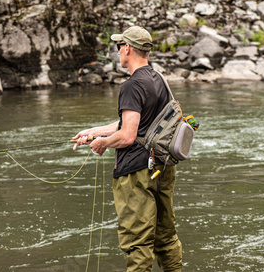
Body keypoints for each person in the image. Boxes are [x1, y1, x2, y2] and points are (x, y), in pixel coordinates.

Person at [72, 26, 182, 272]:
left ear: (127, 48)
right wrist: (94, 131)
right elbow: (136, 124)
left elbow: (128, 136)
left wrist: (102, 143)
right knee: (166, 236)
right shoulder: (158, 78)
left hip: (136, 174)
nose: (118, 51)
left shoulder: (131, 85)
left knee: (138, 242)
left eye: (119, 46)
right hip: (162, 166)